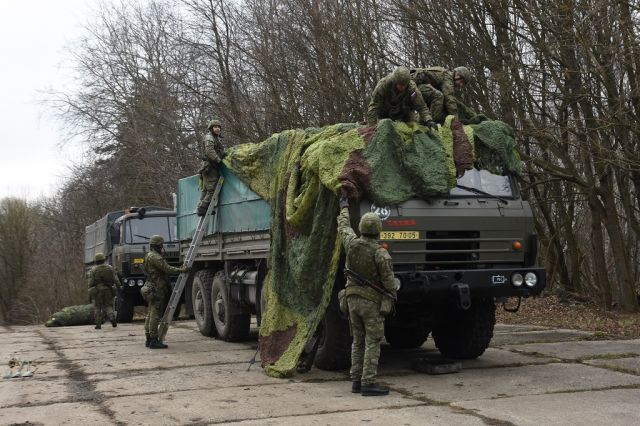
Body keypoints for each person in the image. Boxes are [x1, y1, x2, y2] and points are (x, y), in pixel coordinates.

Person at [336, 194, 397, 396]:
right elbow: (389, 283)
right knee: (373, 341)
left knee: (358, 341)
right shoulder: (380, 253)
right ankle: (368, 383)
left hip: (351, 300)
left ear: (361, 227)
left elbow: (344, 226)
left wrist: (344, 207)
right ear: (378, 230)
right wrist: (390, 297)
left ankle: (356, 380)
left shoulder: (351, 243)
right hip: (371, 303)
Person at [142, 235, 189, 348]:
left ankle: (149, 339)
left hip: (150, 286)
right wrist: (181, 270)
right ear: (159, 245)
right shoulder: (156, 257)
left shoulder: (148, 255)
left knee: (150, 313)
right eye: (161, 245)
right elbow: (167, 269)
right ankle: (154, 340)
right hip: (157, 288)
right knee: (155, 314)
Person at [366, 66, 435, 128]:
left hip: (404, 114)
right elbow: (374, 106)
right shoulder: (383, 85)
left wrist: (428, 120)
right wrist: (372, 126)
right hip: (384, 114)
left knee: (413, 128)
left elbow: (421, 106)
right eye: (399, 84)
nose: (402, 87)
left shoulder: (412, 90)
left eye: (404, 85)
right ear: (395, 81)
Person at [197, 119, 226, 216]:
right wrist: (218, 160)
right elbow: (209, 151)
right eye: (215, 127)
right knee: (211, 189)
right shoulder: (209, 138)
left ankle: (202, 207)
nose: (217, 129)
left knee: (206, 189)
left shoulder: (215, 138)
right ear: (211, 128)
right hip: (210, 167)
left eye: (219, 127)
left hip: (209, 166)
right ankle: (203, 208)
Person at [87, 252, 120, 330]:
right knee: (108, 305)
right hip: (108, 289)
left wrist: (90, 289)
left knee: (97, 307)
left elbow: (91, 282)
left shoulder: (93, 270)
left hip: (98, 290)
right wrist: (119, 286)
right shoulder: (110, 268)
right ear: (104, 260)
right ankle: (112, 317)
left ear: (96, 261)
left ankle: (98, 324)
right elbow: (116, 279)